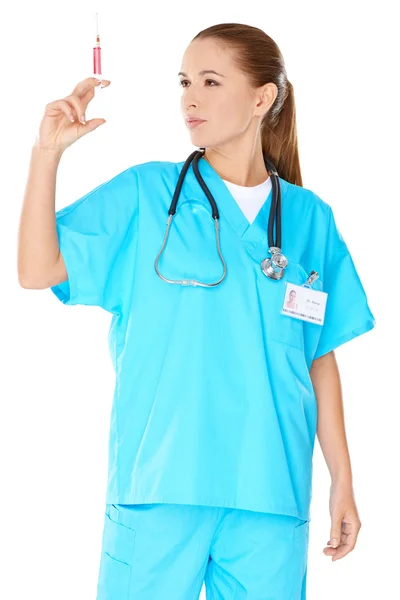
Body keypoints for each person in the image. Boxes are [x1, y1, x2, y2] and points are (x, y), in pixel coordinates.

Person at [18, 22, 376, 600]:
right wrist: (46, 154)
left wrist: (343, 479)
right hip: (160, 484)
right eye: (184, 81)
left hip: (271, 491)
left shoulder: (311, 220)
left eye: (211, 81)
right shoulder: (146, 195)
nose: (190, 97)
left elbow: (319, 358)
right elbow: (38, 271)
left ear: (263, 98)